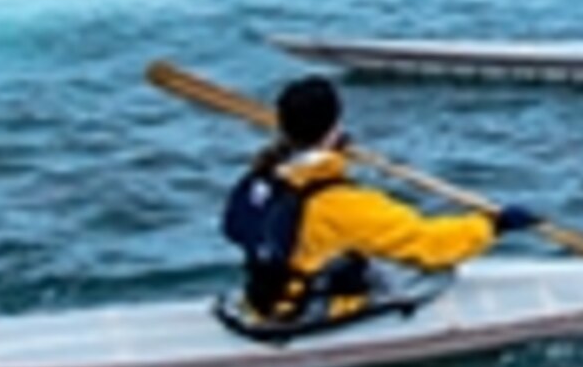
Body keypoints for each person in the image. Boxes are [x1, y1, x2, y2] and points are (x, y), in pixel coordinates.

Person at [224, 74, 538, 334]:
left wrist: (336, 150)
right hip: (305, 310)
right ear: (334, 127)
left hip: (262, 295)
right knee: (435, 272)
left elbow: (238, 224)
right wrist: (494, 225)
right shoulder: (340, 203)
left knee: (347, 252)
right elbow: (429, 242)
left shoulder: (266, 174)